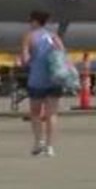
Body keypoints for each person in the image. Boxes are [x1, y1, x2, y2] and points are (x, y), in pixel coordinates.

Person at [21, 10, 66, 157]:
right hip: (54, 79)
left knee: (35, 113)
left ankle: (38, 142)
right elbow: (62, 55)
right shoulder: (54, 36)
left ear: (35, 21)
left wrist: (25, 61)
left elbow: (25, 59)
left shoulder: (30, 37)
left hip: (37, 79)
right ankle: (50, 146)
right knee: (51, 114)